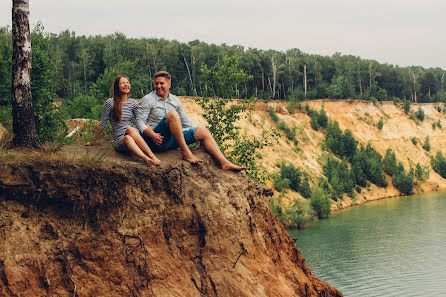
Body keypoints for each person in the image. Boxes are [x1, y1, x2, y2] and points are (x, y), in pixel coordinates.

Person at [136, 71, 245, 171]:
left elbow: (185, 121)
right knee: (173, 115)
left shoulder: (175, 100)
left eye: (161, 83)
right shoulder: (147, 100)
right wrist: (152, 135)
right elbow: (140, 122)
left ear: (169, 84)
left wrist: (194, 135)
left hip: (171, 140)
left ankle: (224, 162)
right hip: (155, 141)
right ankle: (186, 153)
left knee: (203, 131)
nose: (158, 86)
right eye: (156, 84)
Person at [86, 75, 161, 166]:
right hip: (120, 139)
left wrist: (152, 133)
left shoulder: (133, 103)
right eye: (122, 83)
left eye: (127, 82)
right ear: (117, 86)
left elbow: (141, 121)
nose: (126, 85)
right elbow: (102, 124)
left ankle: (151, 156)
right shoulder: (110, 103)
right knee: (128, 137)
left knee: (130, 129)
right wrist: (92, 142)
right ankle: (145, 158)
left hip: (134, 134)